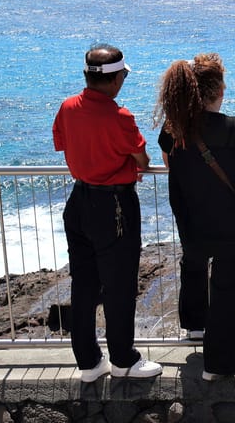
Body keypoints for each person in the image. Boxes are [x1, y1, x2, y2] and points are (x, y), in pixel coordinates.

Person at [155, 53, 235, 381]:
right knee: (227, 290)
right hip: (233, 225)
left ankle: (195, 327)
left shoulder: (174, 130)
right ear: (219, 92)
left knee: (193, 265)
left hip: (192, 220)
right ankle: (219, 365)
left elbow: (169, 162)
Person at [53, 44, 163, 381]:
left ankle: (88, 363)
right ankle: (123, 360)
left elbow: (62, 143)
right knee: (119, 285)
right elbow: (141, 159)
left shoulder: (68, 107)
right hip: (114, 204)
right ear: (115, 80)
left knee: (84, 284)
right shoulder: (120, 116)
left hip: (79, 202)